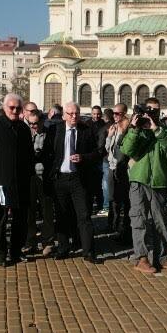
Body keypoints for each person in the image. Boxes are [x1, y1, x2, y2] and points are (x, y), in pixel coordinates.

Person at [121, 97, 167, 274]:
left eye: (155, 110)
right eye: (149, 109)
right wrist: (134, 129)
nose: (152, 113)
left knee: (160, 222)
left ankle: (162, 257)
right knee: (139, 220)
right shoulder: (137, 129)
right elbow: (127, 150)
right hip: (139, 180)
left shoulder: (163, 130)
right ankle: (142, 258)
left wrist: (155, 127)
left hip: (159, 181)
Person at [43, 102, 99, 263]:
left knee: (84, 216)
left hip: (78, 179)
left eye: (77, 113)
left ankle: (88, 251)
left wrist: (83, 158)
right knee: (61, 215)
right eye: (71, 114)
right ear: (64, 115)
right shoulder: (55, 130)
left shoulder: (86, 131)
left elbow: (96, 153)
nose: (74, 116)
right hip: (60, 178)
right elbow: (48, 153)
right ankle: (63, 248)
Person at [0, 93, 34, 266]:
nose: (14, 110)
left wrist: (31, 177)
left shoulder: (24, 128)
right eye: (11, 107)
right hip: (0, 182)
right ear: (4, 108)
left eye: (18, 108)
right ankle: (0, 255)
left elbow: (29, 156)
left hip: (21, 182)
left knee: (20, 220)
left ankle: (16, 252)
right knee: (0, 221)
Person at [25, 110, 54, 253]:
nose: (33, 126)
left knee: (47, 211)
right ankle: (30, 241)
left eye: (35, 123)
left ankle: (47, 241)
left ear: (42, 121)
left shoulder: (50, 134)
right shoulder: (26, 134)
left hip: (45, 177)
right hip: (30, 177)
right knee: (29, 211)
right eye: (30, 123)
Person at [105, 103, 132, 244]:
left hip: (124, 170)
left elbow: (127, 151)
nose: (114, 116)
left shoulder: (128, 129)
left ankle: (124, 231)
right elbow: (107, 149)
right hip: (112, 167)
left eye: (117, 114)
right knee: (113, 198)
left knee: (125, 201)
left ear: (124, 113)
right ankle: (114, 226)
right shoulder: (114, 128)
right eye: (113, 113)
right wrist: (109, 136)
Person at [86, 105, 108, 214]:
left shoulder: (104, 125)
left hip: (101, 157)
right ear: (91, 114)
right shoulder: (87, 125)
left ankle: (100, 206)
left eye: (98, 114)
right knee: (89, 184)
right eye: (94, 114)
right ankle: (89, 207)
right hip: (90, 158)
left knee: (100, 185)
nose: (96, 116)